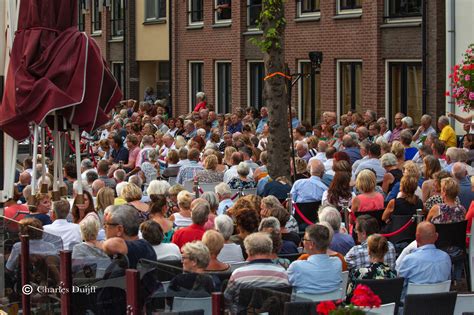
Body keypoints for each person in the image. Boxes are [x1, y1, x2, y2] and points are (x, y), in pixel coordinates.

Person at [224, 232, 289, 314]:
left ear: (248, 251)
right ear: (270, 249)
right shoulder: (282, 273)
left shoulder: (238, 274)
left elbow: (226, 300)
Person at [397, 222, 451, 298]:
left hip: (412, 307)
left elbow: (399, 286)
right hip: (440, 305)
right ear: (436, 236)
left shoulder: (409, 259)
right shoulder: (446, 258)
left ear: (417, 237)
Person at [288, 224, 342, 294]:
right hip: (331, 303)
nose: (303, 242)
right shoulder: (337, 263)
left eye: (304, 239)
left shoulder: (297, 267)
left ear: (311, 244)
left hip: (304, 304)